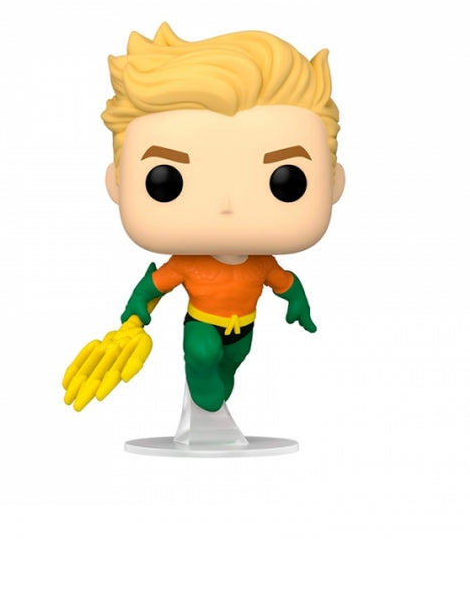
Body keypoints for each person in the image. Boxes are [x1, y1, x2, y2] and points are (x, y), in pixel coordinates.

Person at [100, 23, 345, 412]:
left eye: (287, 181)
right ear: (118, 182)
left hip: (243, 330)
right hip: (202, 325)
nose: (227, 204)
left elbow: (284, 282)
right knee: (203, 353)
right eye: (166, 180)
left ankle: (214, 397)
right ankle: (202, 378)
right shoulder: (187, 264)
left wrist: (298, 303)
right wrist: (136, 313)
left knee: (230, 369)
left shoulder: (261, 263)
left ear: (334, 183)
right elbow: (154, 287)